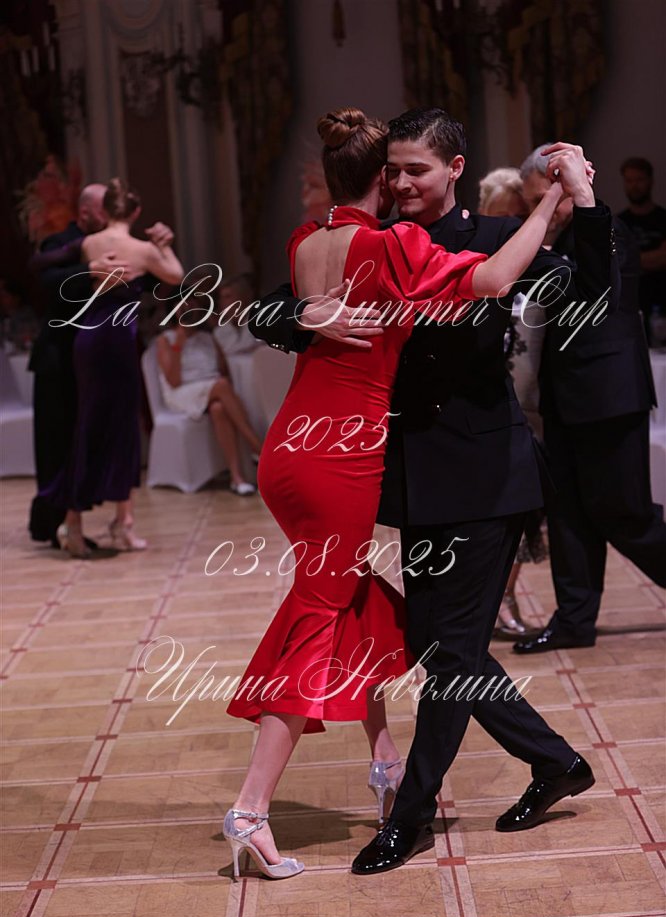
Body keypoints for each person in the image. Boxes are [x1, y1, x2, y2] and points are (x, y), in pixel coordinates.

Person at [250, 108, 616, 877]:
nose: (402, 181)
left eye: (416, 169)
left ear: (454, 168)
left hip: (486, 476)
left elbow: (588, 285)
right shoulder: (374, 240)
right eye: (393, 170)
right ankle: (555, 762)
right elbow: (268, 307)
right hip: (412, 478)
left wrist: (578, 202)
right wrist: (299, 313)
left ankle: (411, 815)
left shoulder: (493, 235)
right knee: (431, 642)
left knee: (449, 653)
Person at [514, 146, 666, 655]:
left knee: (625, 514)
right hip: (563, 399)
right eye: (532, 200)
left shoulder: (606, 229)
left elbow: (596, 299)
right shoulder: (549, 239)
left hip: (610, 396)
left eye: (545, 197)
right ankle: (574, 622)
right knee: (569, 517)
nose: (540, 208)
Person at [41, 178, 184, 557]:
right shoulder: (143, 250)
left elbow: (47, 263)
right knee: (123, 428)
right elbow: (176, 275)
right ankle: (123, 523)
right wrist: (163, 245)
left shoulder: (90, 243)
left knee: (87, 425)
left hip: (87, 338)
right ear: (136, 212)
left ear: (105, 210)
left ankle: (74, 523)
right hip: (118, 340)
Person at [477, 167, 547, 639]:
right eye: (499, 216)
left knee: (525, 512)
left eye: (517, 217)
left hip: (531, 414)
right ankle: (487, 603)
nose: (509, 226)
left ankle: (505, 597)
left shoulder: (540, 266)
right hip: (483, 411)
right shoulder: (468, 266)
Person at [157, 303, 263, 496]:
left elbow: (223, 370)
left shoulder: (208, 338)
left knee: (218, 408)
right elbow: (173, 381)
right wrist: (179, 345)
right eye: (184, 309)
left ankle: (236, 478)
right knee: (221, 386)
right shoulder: (167, 340)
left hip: (211, 388)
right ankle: (257, 446)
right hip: (182, 393)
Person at [213, 274, 269, 441]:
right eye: (222, 298)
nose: (224, 303)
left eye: (229, 297)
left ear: (243, 297)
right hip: (236, 387)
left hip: (262, 380)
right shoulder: (220, 332)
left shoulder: (261, 320)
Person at [618, 157, 666, 343]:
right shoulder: (618, 223)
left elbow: (663, 258)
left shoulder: (663, 219)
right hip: (630, 304)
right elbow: (614, 262)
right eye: (629, 180)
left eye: (639, 180)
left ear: (650, 181)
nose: (634, 186)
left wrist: (629, 260)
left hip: (661, 302)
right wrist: (650, 258)